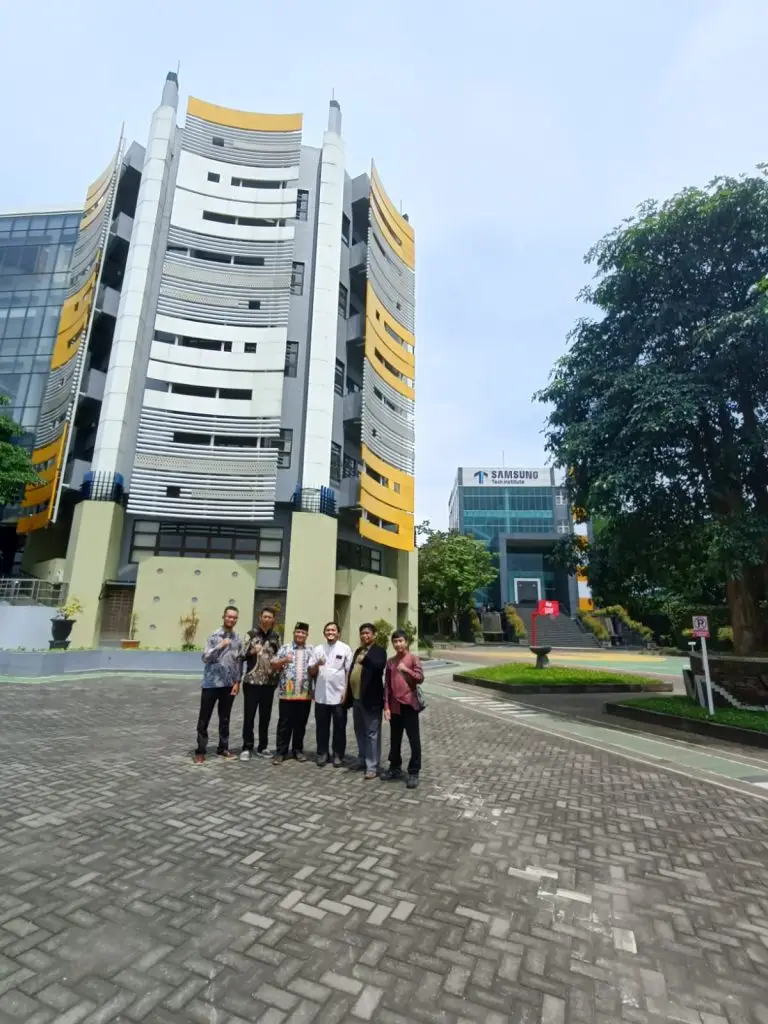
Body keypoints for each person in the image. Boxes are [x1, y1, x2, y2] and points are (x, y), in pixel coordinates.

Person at [194, 606, 242, 764]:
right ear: (224, 617)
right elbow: (205, 658)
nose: (231, 619)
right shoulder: (214, 636)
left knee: (225, 718)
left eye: (234, 617)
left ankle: (223, 748)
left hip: (228, 684)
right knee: (204, 718)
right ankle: (200, 750)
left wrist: (237, 682)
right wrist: (220, 646)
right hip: (211, 684)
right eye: (229, 616)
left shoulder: (237, 639)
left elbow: (238, 662)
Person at [344, 623, 387, 780]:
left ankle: (372, 766)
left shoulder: (379, 651)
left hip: (371, 700)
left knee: (372, 733)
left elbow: (379, 666)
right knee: (359, 730)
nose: (364, 636)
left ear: (374, 635)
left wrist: (366, 660)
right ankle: (362, 759)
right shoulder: (358, 651)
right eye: (362, 633)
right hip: (357, 698)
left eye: (368, 633)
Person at [271, 622, 317, 764]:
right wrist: (284, 659)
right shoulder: (285, 648)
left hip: (304, 694)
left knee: (300, 723)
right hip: (287, 694)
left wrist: (315, 689)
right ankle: (281, 752)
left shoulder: (311, 650)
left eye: (303, 633)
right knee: (284, 723)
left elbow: (315, 671)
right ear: (294, 633)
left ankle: (298, 750)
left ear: (307, 635)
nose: (300, 635)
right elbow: (273, 665)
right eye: (298, 632)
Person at [383, 629, 424, 789]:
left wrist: (407, 670)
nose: (398, 644)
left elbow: (420, 678)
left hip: (409, 705)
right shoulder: (390, 662)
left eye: (401, 641)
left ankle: (414, 771)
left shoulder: (413, 659)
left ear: (406, 642)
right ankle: (394, 767)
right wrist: (386, 706)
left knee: (414, 739)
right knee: (395, 739)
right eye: (395, 641)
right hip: (394, 707)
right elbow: (387, 685)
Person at [239, 606, 281, 761]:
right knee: (249, 716)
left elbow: (279, 655)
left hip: (269, 683)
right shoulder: (251, 634)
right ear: (260, 617)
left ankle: (263, 746)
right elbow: (241, 655)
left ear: (273, 619)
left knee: (265, 716)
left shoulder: (276, 636)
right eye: (265, 616)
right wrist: (252, 651)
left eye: (270, 617)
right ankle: (247, 747)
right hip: (252, 682)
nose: (267, 619)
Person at [313, 622, 352, 767]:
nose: (330, 632)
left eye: (333, 630)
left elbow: (348, 671)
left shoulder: (345, 648)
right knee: (321, 726)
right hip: (321, 695)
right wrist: (317, 663)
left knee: (339, 727)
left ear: (338, 633)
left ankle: (338, 754)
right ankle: (322, 753)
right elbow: (311, 671)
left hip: (338, 695)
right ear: (324, 633)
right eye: (328, 630)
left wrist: (346, 691)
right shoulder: (318, 649)